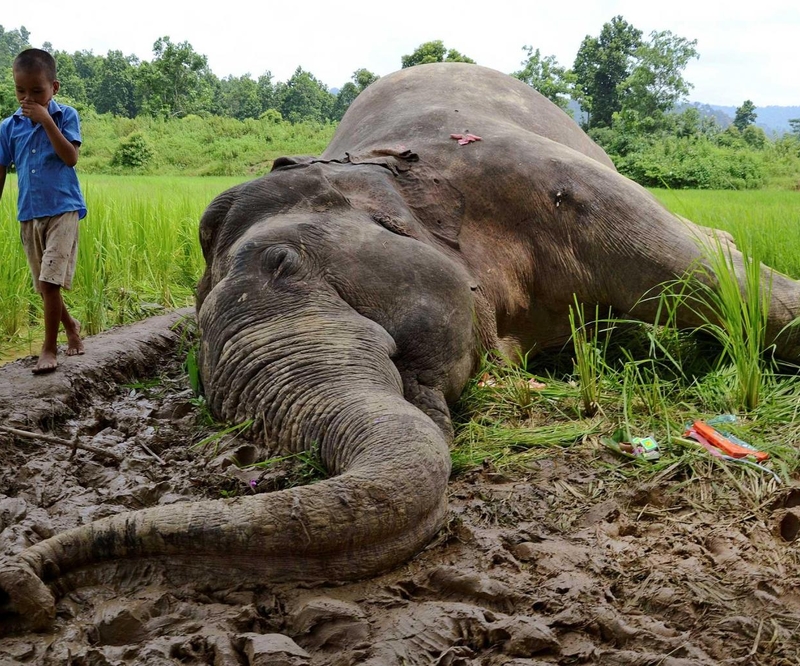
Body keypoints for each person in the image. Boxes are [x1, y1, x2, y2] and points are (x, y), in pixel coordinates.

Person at [0, 48, 87, 374]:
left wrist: (47, 120)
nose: (28, 98)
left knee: (50, 283)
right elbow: (1, 168)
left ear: (54, 87)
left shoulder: (66, 116)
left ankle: (49, 348)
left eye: (37, 91)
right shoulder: (8, 127)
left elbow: (70, 158)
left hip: (63, 209)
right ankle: (71, 325)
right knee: (43, 284)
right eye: (21, 91)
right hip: (29, 213)